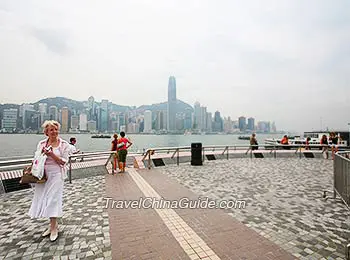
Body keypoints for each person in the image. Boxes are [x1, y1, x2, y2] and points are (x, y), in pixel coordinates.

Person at [28, 120, 70, 242]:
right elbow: (36, 159)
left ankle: (53, 228)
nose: (54, 132)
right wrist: (32, 168)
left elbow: (64, 161)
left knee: (53, 199)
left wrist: (51, 154)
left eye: (56, 129)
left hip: (56, 175)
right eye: (51, 129)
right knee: (45, 199)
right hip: (43, 175)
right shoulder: (41, 144)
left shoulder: (63, 144)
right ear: (46, 132)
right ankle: (53, 225)